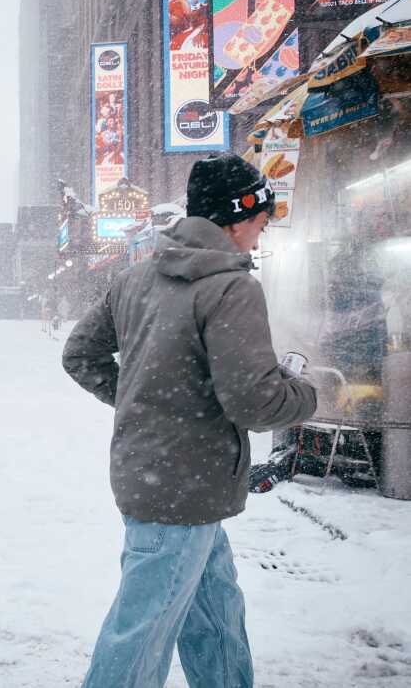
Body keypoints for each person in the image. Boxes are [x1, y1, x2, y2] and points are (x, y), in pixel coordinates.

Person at [62, 152, 317, 688]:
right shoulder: (231, 287)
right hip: (186, 485)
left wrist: (146, 400)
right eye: (262, 222)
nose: (261, 234)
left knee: (215, 612)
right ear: (239, 216)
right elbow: (255, 403)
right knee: (139, 632)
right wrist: (309, 393)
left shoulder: (135, 278)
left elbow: (80, 355)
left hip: (163, 479)